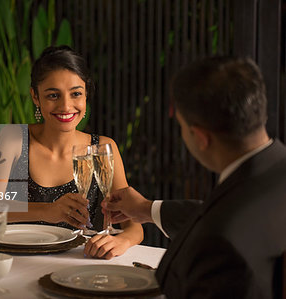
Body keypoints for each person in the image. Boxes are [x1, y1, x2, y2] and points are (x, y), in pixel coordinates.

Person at [102, 56, 286, 298]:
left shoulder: (218, 245)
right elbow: (224, 213)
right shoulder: (274, 171)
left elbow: (220, 227)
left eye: (181, 126)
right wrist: (148, 209)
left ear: (200, 137)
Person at [0, 46, 143, 259]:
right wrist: (47, 210)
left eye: (76, 94)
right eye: (53, 95)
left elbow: (133, 222)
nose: (66, 106)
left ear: (86, 95)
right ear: (35, 96)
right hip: (18, 259)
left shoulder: (102, 149)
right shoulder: (15, 138)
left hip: (81, 261)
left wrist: (121, 240)